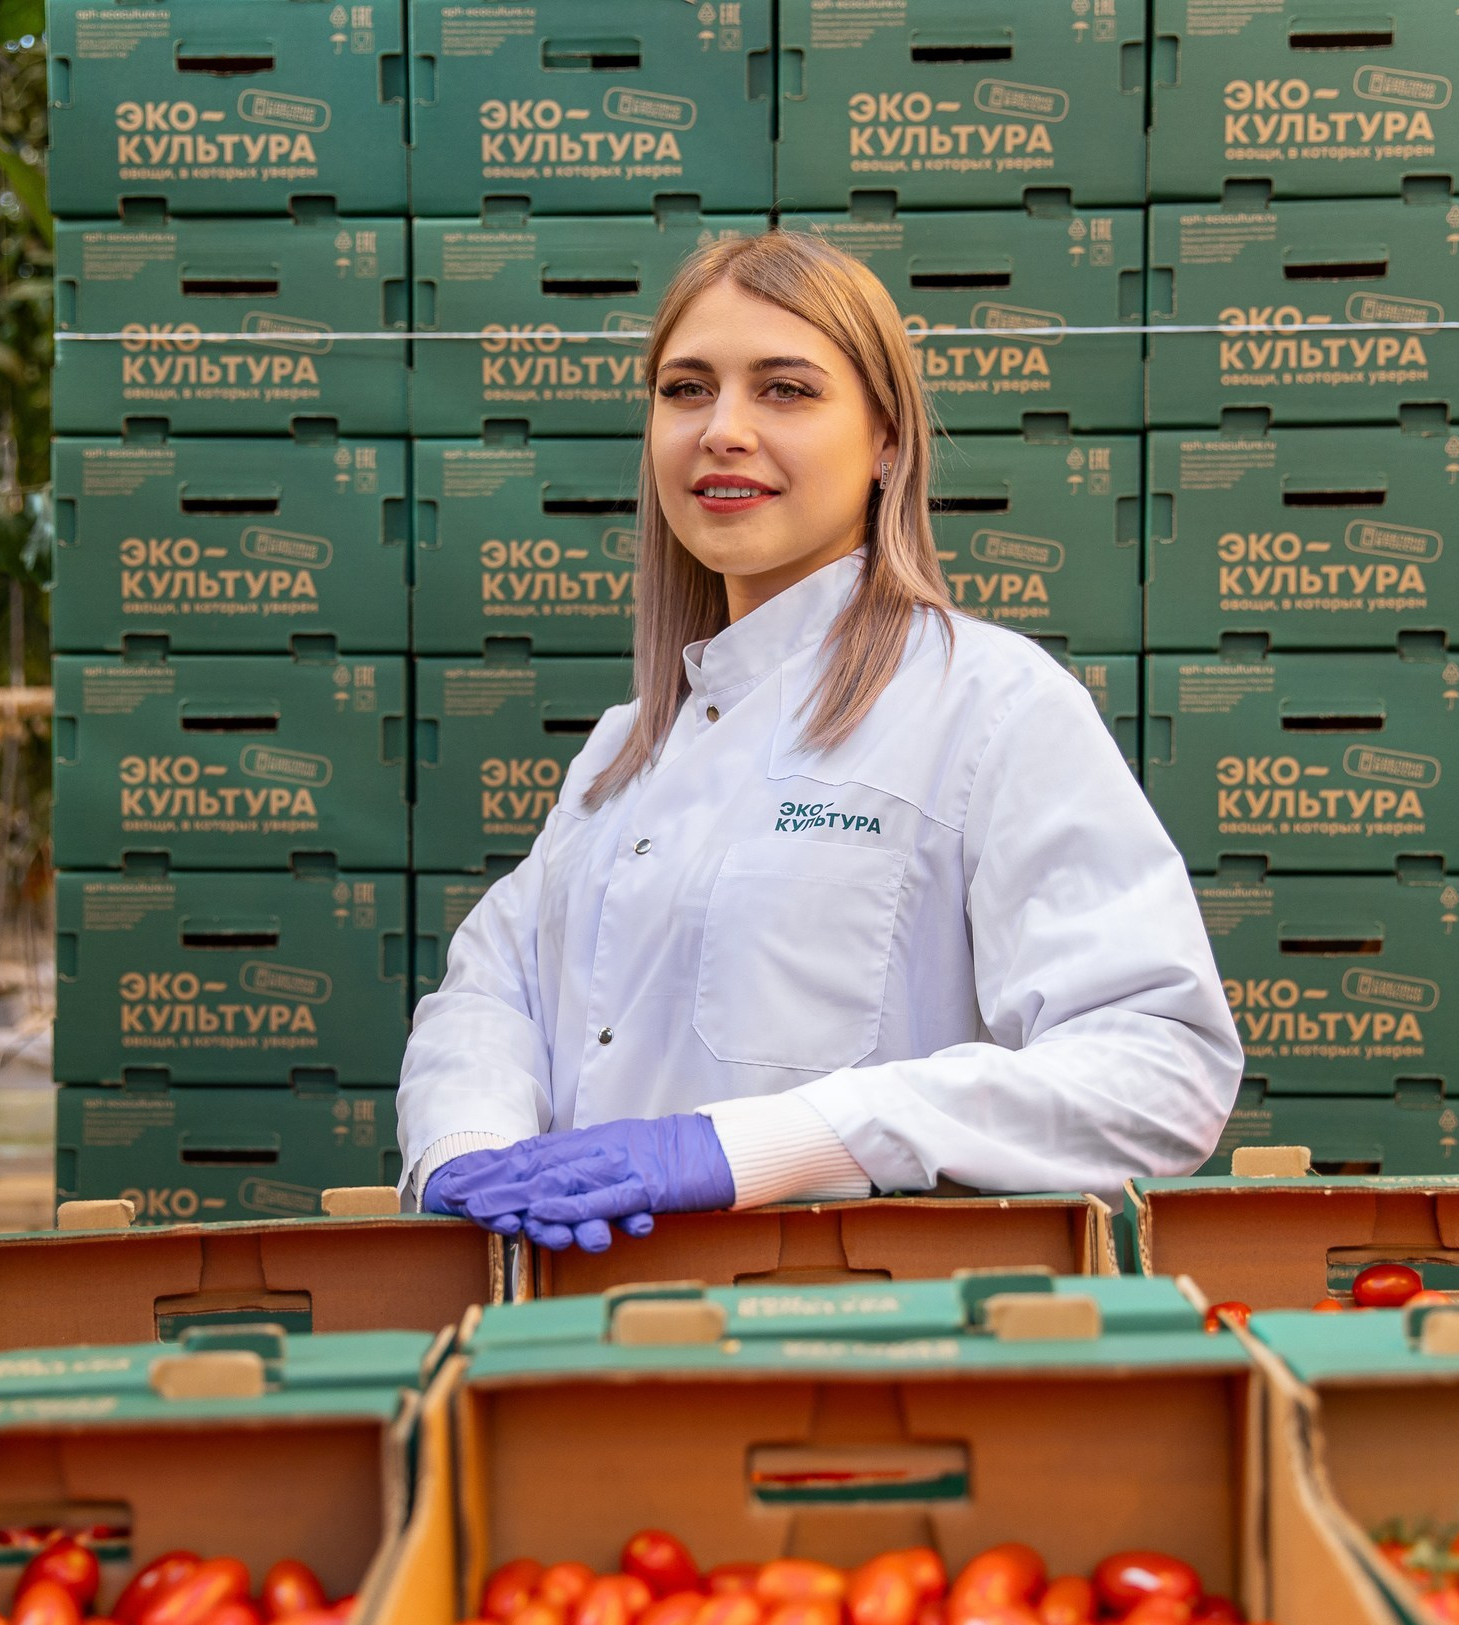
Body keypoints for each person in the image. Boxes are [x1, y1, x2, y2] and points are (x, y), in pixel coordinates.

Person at [397, 230, 1241, 1254]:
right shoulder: (625, 751)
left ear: (886, 440)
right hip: (589, 1361)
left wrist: (758, 1146)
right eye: (685, 389)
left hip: (856, 1358)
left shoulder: (990, 707)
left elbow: (1156, 1072)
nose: (723, 430)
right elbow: (491, 989)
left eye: (785, 390)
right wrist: (472, 1152)